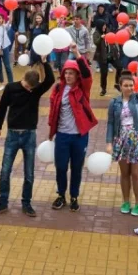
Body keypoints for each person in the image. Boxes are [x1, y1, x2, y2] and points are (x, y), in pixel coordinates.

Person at [0, 59, 53, 216]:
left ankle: (27, 203)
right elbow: (1, 107)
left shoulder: (36, 90)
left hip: (29, 135)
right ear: (23, 79)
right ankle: (2, 202)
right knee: (5, 170)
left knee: (29, 172)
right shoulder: (11, 88)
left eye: (31, 87)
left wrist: (45, 62)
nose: (28, 89)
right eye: (26, 86)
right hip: (12, 134)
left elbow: (50, 80)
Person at [48, 47, 97, 212]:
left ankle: (74, 196)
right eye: (66, 73)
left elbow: (87, 75)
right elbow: (53, 111)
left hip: (79, 136)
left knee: (76, 168)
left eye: (71, 73)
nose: (68, 76)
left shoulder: (83, 88)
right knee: (61, 167)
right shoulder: (58, 89)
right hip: (62, 135)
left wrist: (77, 55)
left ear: (77, 75)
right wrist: (51, 130)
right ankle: (61, 195)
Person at [107, 63, 138, 216]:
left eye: (131, 85)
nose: (129, 88)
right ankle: (126, 201)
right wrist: (109, 142)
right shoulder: (114, 103)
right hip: (121, 139)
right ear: (120, 87)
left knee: (136, 174)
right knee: (124, 173)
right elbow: (110, 123)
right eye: (126, 85)